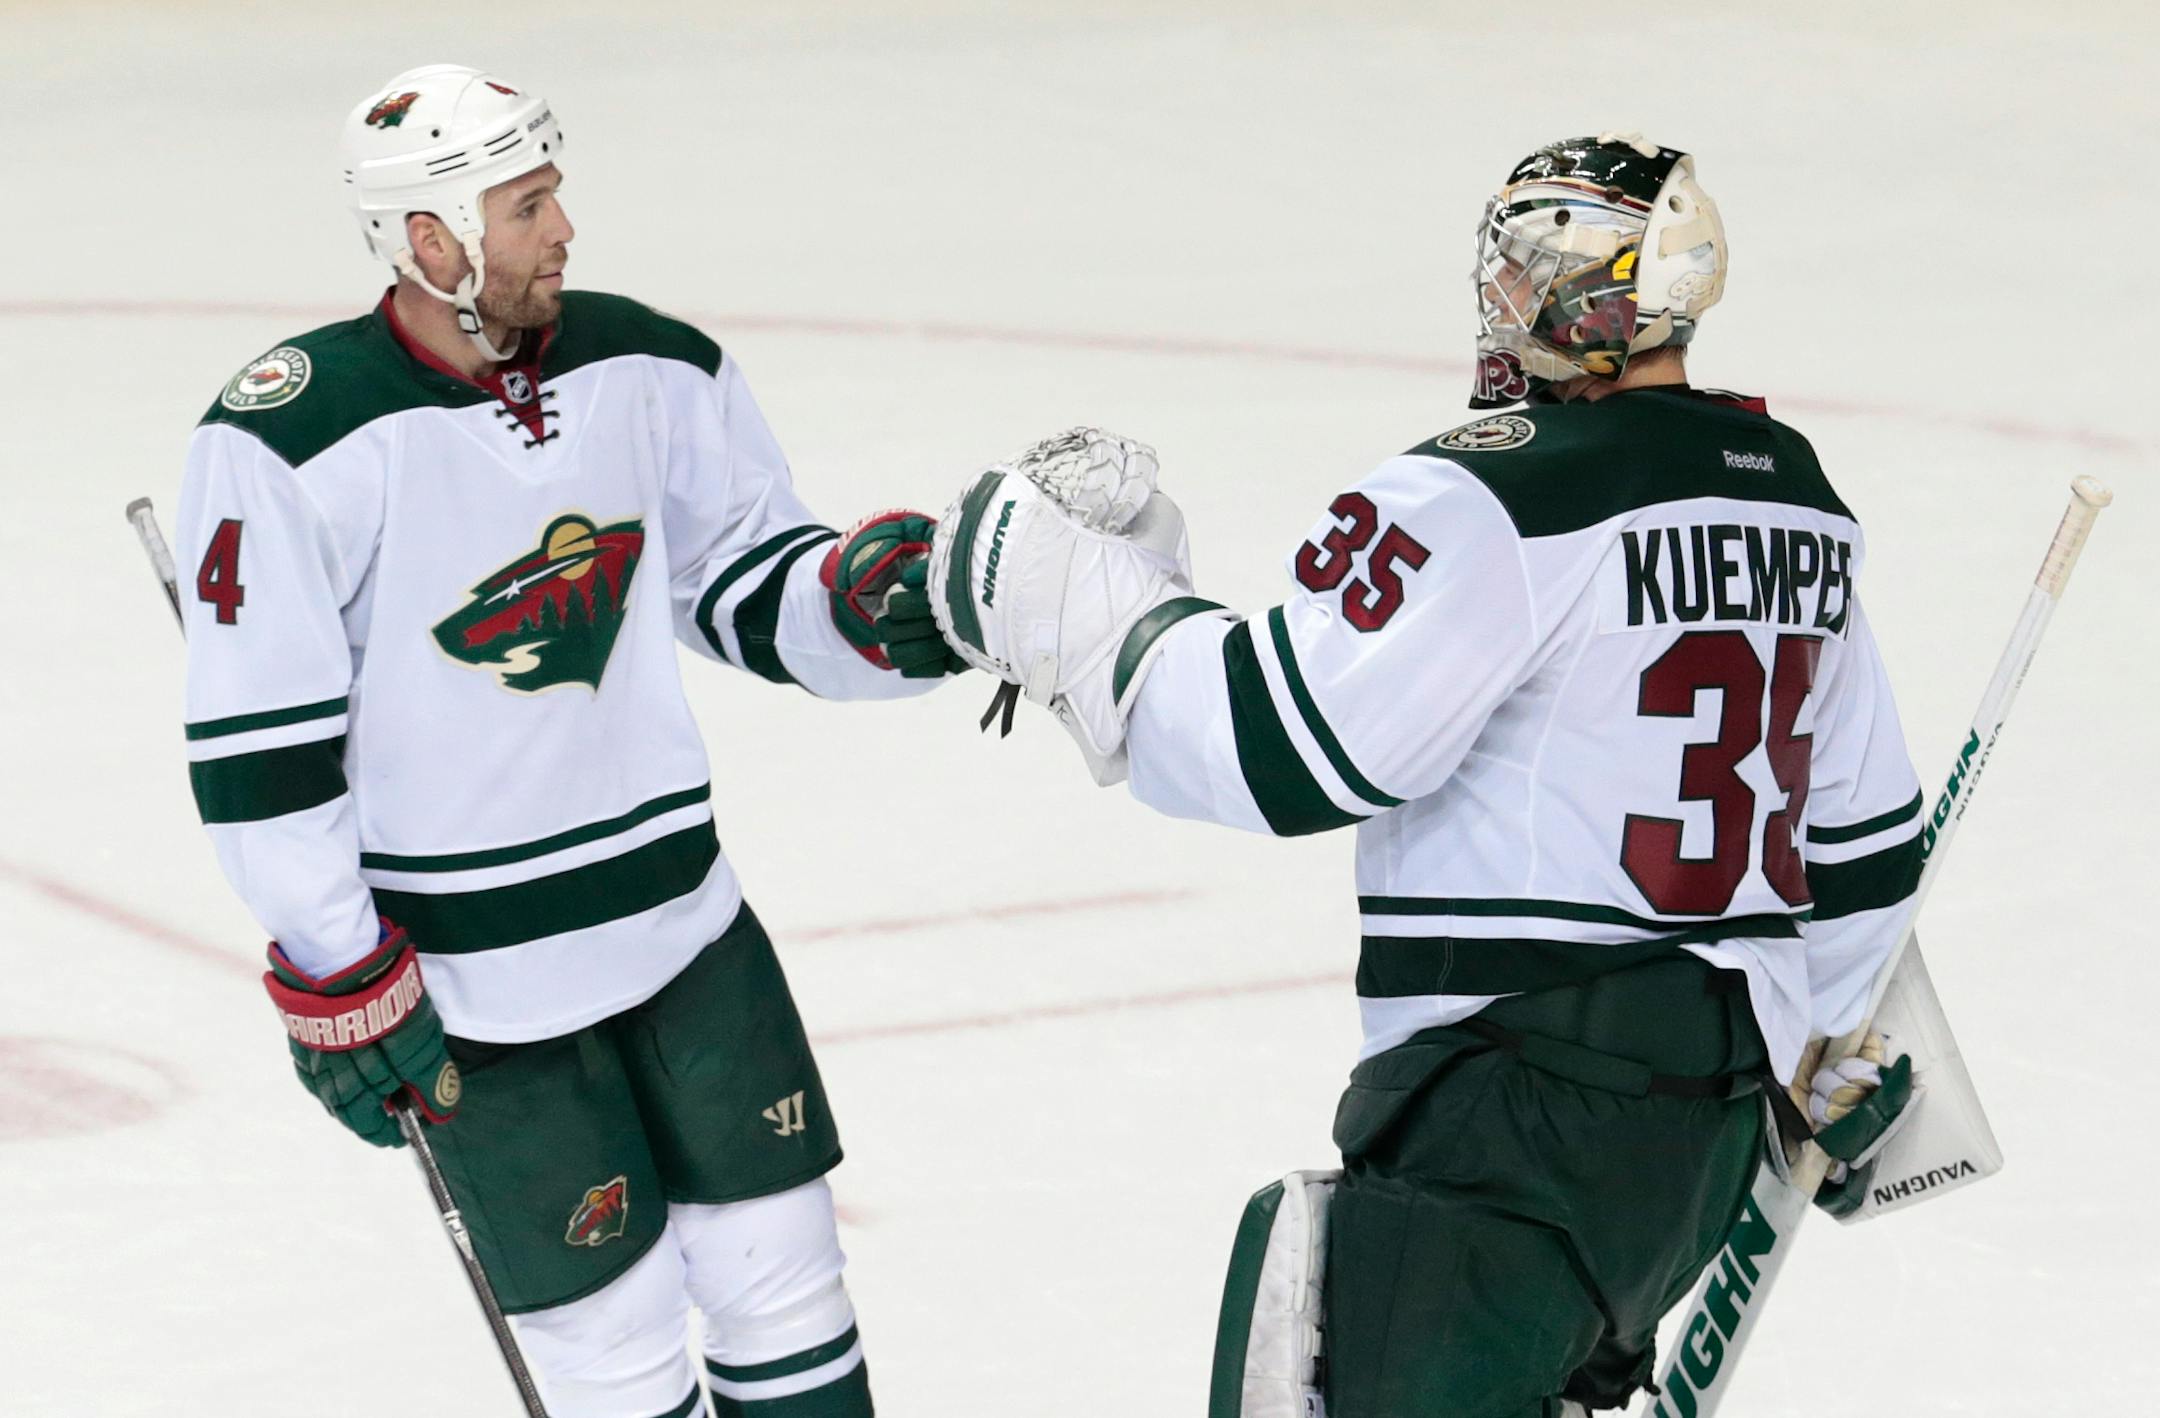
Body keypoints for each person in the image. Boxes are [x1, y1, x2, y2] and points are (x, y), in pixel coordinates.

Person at [915, 134, 1921, 1415]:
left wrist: (1077, 601)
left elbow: (1284, 746)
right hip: (1695, 1147)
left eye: (1518, 271)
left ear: (1590, 298)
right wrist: (1824, 1053)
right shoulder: (1797, 507)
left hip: (1516, 1120)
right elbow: (1863, 841)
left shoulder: (1504, 488)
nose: (1497, 299)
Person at [178, 63, 959, 1418]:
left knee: (786, 1278)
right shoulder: (292, 438)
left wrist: (860, 607)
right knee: (615, 1345)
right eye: (528, 204)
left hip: (685, 928)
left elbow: (739, 574)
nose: (564, 229)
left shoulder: (649, 362)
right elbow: (263, 752)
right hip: (475, 987)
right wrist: (339, 957)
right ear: (433, 239)